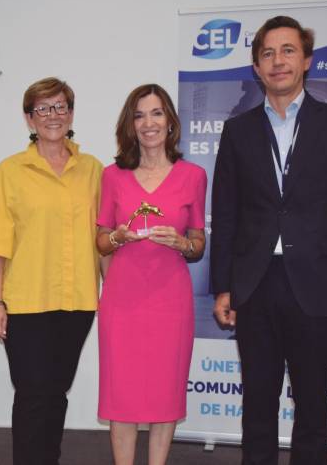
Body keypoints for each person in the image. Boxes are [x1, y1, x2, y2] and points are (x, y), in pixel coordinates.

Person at [209, 15, 327, 465]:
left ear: (306, 61)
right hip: (255, 285)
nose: (277, 61)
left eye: (287, 51)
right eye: (267, 53)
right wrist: (223, 285)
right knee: (257, 407)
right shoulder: (238, 131)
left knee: (313, 407)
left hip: (318, 285)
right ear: (256, 67)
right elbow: (225, 215)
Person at [0, 77, 102, 465]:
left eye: (61, 106)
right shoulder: (9, 172)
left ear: (71, 113)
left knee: (56, 393)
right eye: (43, 109)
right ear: (29, 119)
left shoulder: (93, 170)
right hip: (26, 303)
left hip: (77, 301)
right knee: (32, 395)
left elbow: (104, 237)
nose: (53, 115)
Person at [95, 84, 207, 465]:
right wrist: (116, 236)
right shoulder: (112, 176)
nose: (148, 123)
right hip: (122, 301)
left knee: (166, 393)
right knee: (121, 396)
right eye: (139, 115)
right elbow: (100, 241)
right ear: (130, 125)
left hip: (170, 302)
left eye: (156, 113)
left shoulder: (193, 175)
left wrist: (180, 242)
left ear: (170, 121)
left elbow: (198, 244)